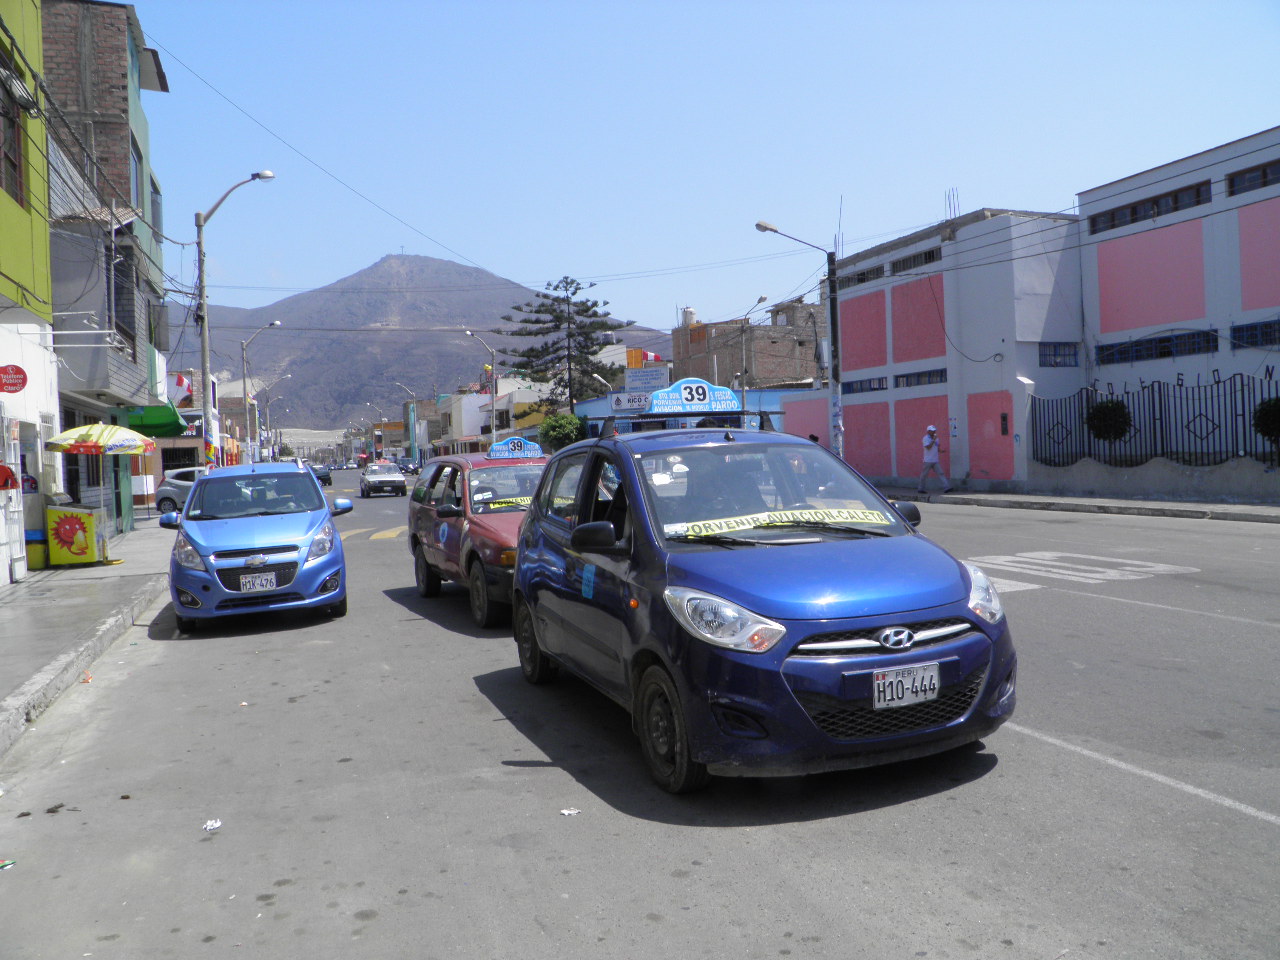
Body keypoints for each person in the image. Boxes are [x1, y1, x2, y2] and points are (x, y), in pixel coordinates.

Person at [918, 425, 953, 494]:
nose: (934, 432)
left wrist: (941, 450)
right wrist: (933, 440)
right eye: (932, 431)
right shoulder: (925, 438)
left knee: (941, 473)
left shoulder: (936, 438)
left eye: (934, 430)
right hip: (928, 460)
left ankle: (947, 487)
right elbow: (928, 447)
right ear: (928, 431)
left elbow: (937, 446)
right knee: (924, 475)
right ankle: (921, 489)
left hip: (935, 460)